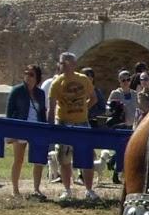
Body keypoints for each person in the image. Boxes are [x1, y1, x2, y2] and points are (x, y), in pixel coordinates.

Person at [47, 51, 98, 200]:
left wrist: (83, 109)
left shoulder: (83, 79)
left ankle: (89, 190)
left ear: (73, 64)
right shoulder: (56, 83)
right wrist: (51, 126)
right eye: (61, 62)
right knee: (64, 158)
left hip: (82, 123)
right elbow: (51, 106)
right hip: (63, 122)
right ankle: (67, 189)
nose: (62, 65)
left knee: (86, 156)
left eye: (66, 62)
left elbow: (93, 98)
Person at [6, 63, 49, 198]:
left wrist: (44, 130)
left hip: (36, 129)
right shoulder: (17, 91)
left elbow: (42, 113)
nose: (28, 77)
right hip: (20, 127)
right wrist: (11, 132)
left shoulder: (40, 94)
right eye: (26, 73)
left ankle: (36, 189)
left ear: (37, 78)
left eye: (31, 75)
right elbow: (9, 112)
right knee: (18, 159)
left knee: (38, 160)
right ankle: (15, 189)